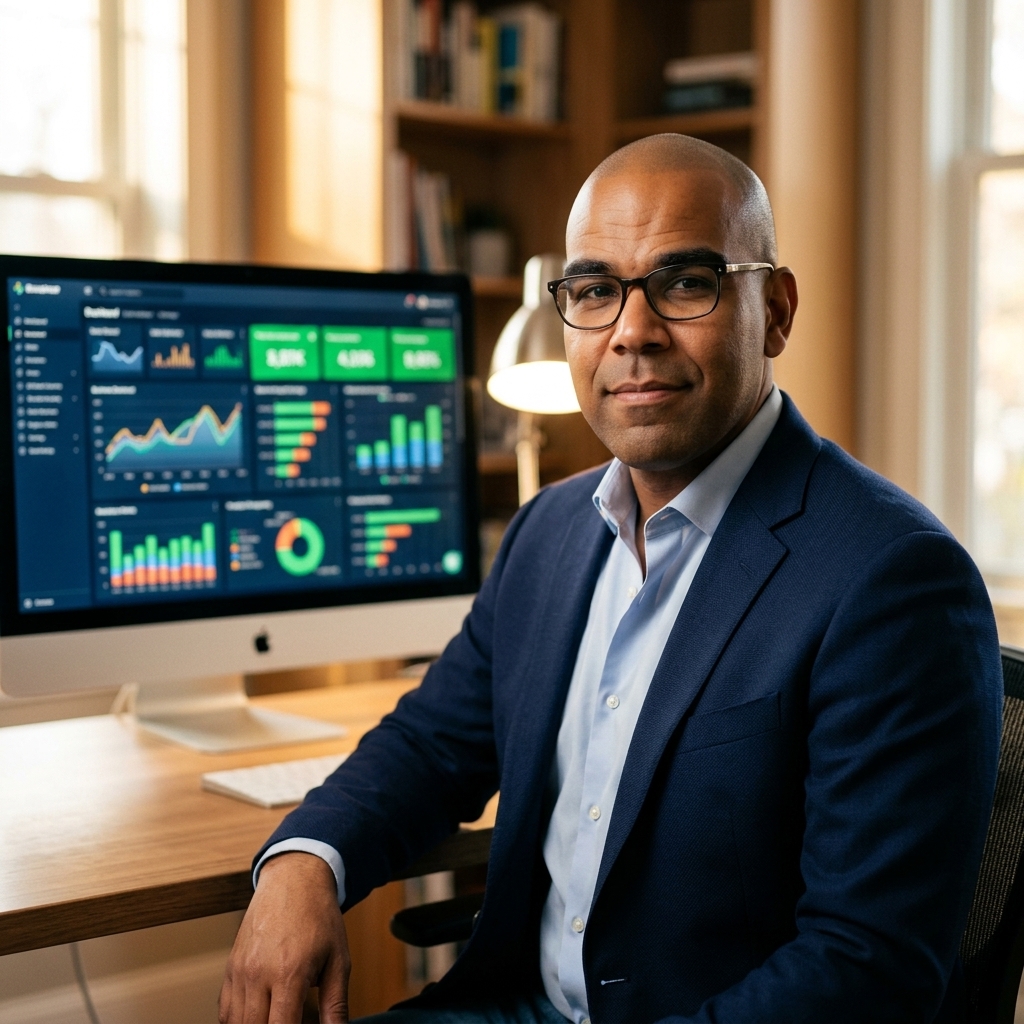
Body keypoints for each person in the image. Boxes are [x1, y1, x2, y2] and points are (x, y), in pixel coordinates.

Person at [218, 134, 1003, 1024]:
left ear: (776, 310)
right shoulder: (549, 533)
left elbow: (865, 972)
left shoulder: (892, 579)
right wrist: (303, 864)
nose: (632, 331)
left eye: (684, 282)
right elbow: (430, 747)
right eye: (594, 290)